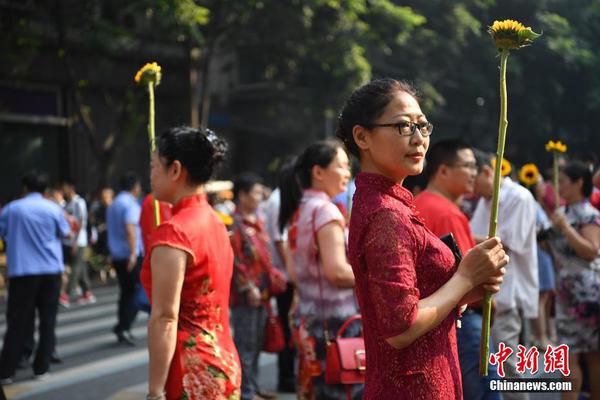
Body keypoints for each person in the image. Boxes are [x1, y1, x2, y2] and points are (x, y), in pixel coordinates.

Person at [335, 78, 508, 399]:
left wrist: (470, 287)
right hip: (413, 385)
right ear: (362, 137)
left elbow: (420, 301)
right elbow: (401, 327)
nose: (418, 139)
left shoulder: (389, 203)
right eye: (403, 127)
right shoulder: (386, 213)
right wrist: (465, 277)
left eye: (422, 126)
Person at [142, 126, 241, 400]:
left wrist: (154, 391)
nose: (150, 175)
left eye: (153, 166)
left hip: (190, 368)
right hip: (225, 357)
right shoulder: (216, 222)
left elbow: (164, 318)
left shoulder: (173, 233)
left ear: (175, 170)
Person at [413, 138, 501, 400]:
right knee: (483, 391)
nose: (475, 172)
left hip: (434, 316)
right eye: (469, 165)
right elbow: (472, 277)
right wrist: (489, 303)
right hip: (462, 318)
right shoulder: (448, 213)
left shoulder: (420, 203)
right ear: (443, 171)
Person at [278, 140, 362, 400]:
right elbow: (337, 271)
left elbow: (294, 273)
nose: (348, 174)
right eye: (342, 166)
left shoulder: (299, 210)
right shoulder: (325, 211)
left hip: (308, 319)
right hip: (337, 324)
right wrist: (376, 278)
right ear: (318, 172)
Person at [470, 149, 538, 400]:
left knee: (507, 365)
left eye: (474, 181)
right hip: (488, 291)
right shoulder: (486, 200)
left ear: (487, 172)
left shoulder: (519, 197)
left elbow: (502, 243)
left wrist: (457, 236)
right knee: (491, 366)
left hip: (509, 292)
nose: (472, 190)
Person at [0, 171, 71, 382]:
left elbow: (3, 233)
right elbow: (66, 233)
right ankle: (41, 368)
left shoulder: (12, 209)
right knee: (48, 321)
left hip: (23, 271)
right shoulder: (53, 208)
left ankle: (6, 371)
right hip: (50, 271)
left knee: (17, 322)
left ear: (25, 188)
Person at [547, 161, 600, 400]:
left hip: (588, 294)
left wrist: (566, 228)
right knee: (568, 357)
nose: (560, 186)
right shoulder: (562, 213)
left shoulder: (589, 214)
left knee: (591, 355)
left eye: (564, 181)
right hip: (566, 294)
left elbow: (590, 251)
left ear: (579, 183)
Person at [230, 172, 284, 400]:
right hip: (247, 296)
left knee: (256, 343)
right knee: (246, 346)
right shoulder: (234, 225)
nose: (259, 197)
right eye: (254, 192)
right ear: (241, 196)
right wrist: (248, 287)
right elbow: (235, 261)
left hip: (262, 292)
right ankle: (245, 391)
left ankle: (251, 387)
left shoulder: (256, 221)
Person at [263, 161, 296, 393]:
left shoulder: (282, 197)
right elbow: (279, 240)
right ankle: (286, 379)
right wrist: (294, 274)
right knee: (286, 328)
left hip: (287, 275)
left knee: (289, 327)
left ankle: (289, 376)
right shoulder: (278, 200)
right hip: (284, 277)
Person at [107, 171, 143, 345]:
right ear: (135, 187)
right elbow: (130, 229)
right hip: (130, 255)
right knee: (134, 292)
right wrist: (133, 253)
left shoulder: (114, 203)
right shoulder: (129, 204)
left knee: (126, 292)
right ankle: (124, 326)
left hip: (118, 254)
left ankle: (122, 326)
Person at [60, 181, 95, 307]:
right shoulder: (67, 204)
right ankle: (87, 292)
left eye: (64, 188)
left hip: (79, 241)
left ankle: (66, 294)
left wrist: (75, 240)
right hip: (70, 241)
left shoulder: (79, 202)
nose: (63, 192)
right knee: (81, 268)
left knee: (75, 268)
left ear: (71, 188)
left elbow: (81, 222)